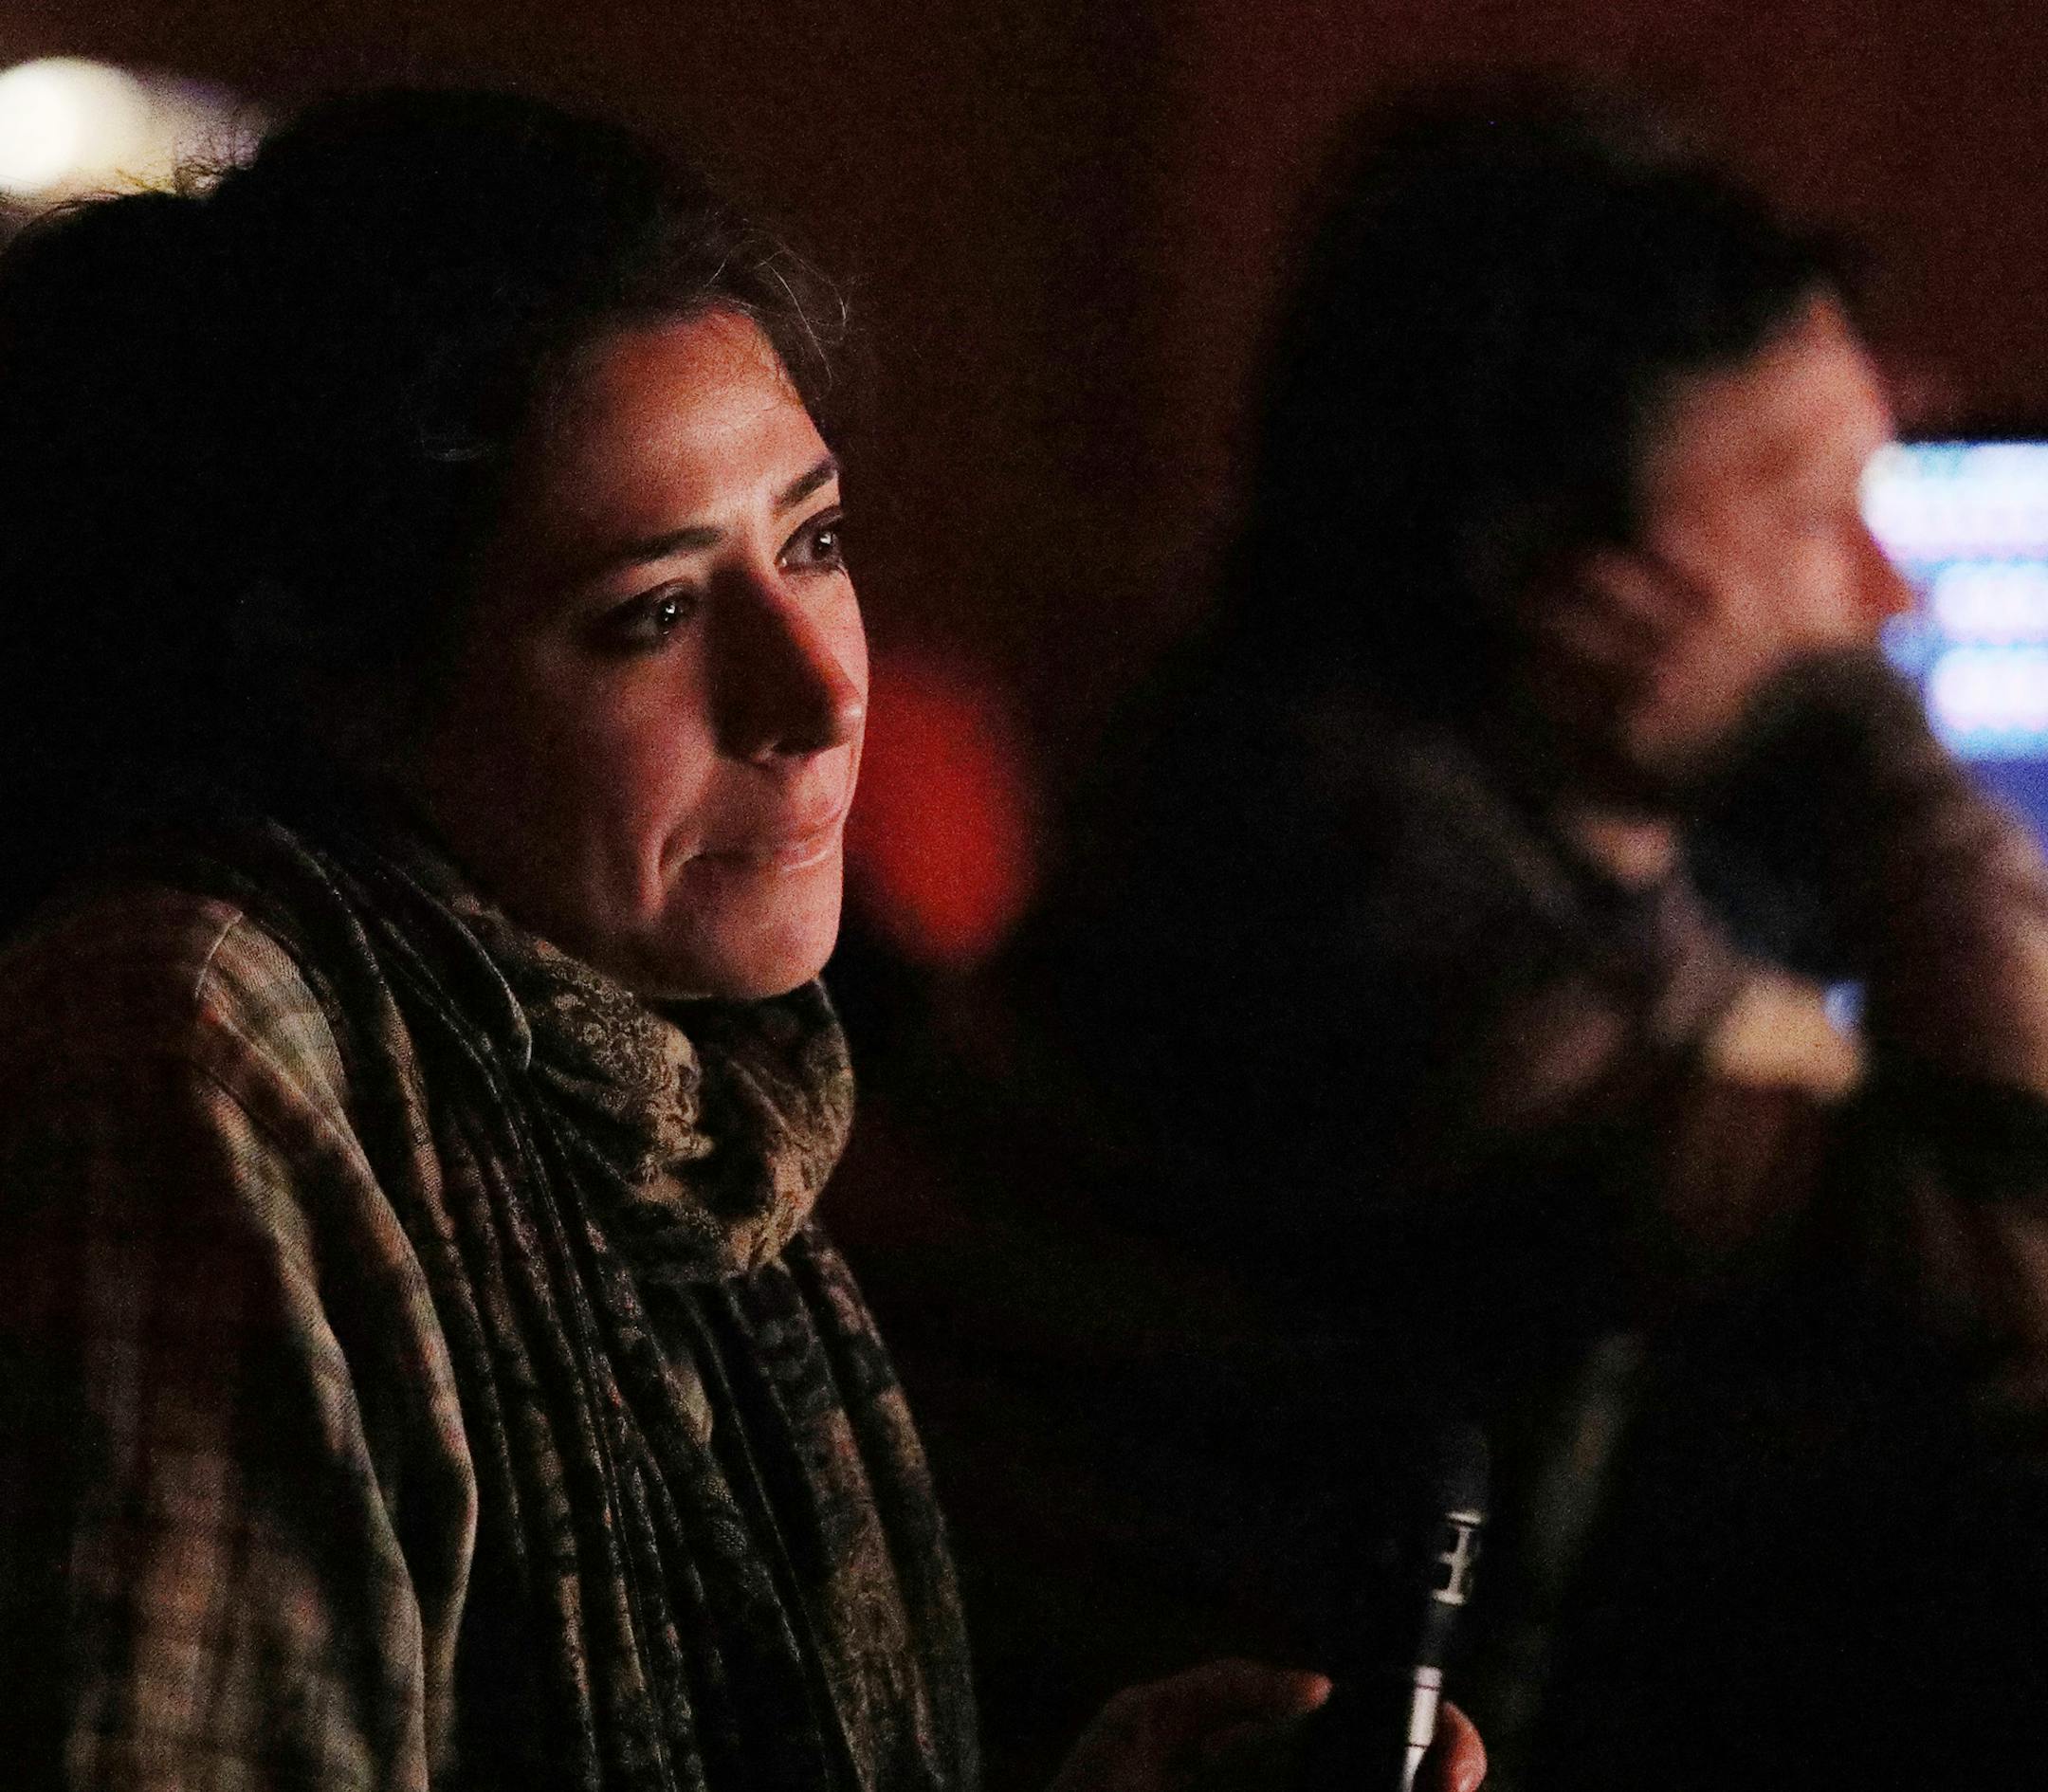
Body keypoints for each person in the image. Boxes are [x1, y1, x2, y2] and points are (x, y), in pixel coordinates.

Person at [0, 91, 1487, 1792]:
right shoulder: (191, 1033)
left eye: (816, 541)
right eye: (657, 611)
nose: (825, 688)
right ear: (343, 689)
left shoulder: (677, 1089)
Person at [975, 90, 2048, 1788]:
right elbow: (2013, 1265)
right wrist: (1852, 723)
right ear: (1552, 570)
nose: (1889, 593)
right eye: (1807, 515)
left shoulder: (1423, 820)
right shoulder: (1326, 915)